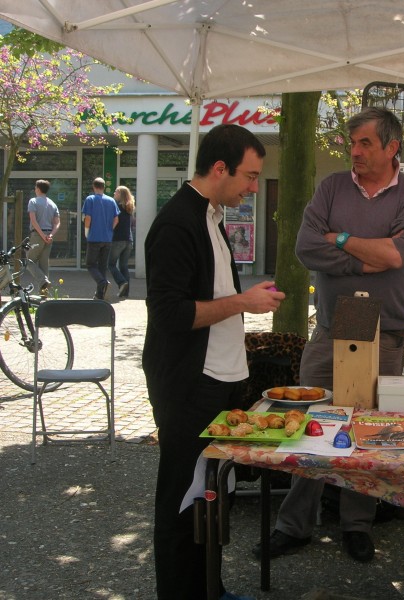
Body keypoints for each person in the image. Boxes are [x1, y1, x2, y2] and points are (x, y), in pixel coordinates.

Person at [264, 106, 404, 563]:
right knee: (309, 425)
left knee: (369, 430)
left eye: (364, 143)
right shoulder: (331, 187)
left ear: (392, 147)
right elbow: (305, 248)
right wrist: (366, 258)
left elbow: (398, 255)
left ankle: (357, 525)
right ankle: (294, 525)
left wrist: (339, 239)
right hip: (331, 329)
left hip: (387, 333)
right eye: (352, 143)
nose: (354, 151)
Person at [143, 123, 284, 600]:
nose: (253, 187)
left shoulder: (211, 215)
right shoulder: (176, 223)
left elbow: (213, 292)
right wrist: (244, 302)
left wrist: (245, 299)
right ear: (220, 168)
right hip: (189, 384)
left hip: (219, 379)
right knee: (181, 501)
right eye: (250, 176)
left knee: (212, 494)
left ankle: (210, 589)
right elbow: (170, 314)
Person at [82, 177, 119, 300]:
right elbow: (116, 219)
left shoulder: (90, 199)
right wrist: (109, 230)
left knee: (90, 264)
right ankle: (100, 294)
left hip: (94, 237)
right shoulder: (111, 201)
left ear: (94, 187)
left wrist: (87, 231)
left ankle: (103, 283)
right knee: (102, 266)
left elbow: (88, 218)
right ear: (104, 187)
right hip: (107, 239)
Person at [26, 179, 60, 296]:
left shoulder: (33, 201)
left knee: (29, 261)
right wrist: (51, 235)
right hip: (49, 236)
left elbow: (33, 221)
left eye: (35, 187)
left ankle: (43, 281)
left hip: (37, 235)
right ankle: (44, 294)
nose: (35, 189)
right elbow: (57, 223)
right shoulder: (52, 203)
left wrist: (42, 235)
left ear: (38, 189)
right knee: (44, 264)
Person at [108, 185, 135, 298]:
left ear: (121, 194)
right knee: (124, 266)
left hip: (118, 240)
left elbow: (114, 222)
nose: (114, 193)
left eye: (116, 192)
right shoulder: (129, 208)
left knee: (111, 264)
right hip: (128, 240)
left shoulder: (117, 207)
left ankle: (121, 282)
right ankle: (125, 292)